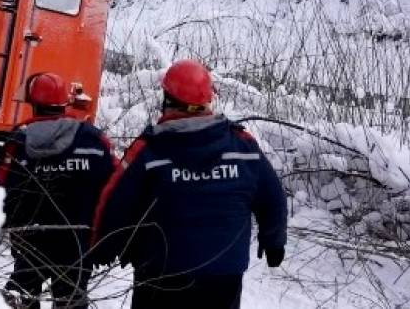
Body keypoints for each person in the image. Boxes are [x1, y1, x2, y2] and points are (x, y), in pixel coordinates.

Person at [91, 59, 287, 309]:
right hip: (224, 275)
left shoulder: (149, 151)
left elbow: (117, 201)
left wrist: (105, 245)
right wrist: (274, 240)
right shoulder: (243, 146)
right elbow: (273, 198)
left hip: (161, 273)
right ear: (208, 101)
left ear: (167, 99)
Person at [0, 72, 118, 309]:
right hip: (78, 240)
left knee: (22, 296)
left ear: (33, 104)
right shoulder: (92, 139)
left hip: (30, 241)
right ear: (66, 102)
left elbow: (0, 187)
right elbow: (115, 185)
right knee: (71, 299)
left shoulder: (19, 142)